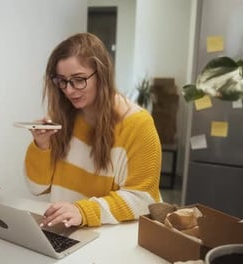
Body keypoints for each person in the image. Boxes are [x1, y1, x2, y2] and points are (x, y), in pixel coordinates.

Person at [24, 32, 162, 228]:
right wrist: (42, 146)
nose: (69, 90)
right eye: (61, 80)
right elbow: (37, 188)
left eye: (79, 79)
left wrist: (83, 211)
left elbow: (143, 199)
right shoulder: (62, 117)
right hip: (66, 230)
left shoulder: (138, 125)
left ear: (102, 74)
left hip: (109, 237)